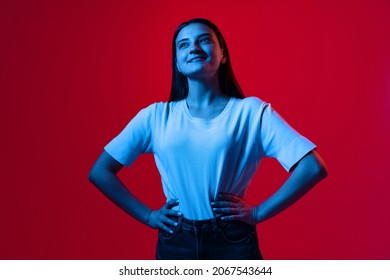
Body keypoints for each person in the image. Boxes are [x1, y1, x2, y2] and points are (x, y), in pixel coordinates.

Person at [88, 18, 328, 260]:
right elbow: (100, 171)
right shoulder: (155, 116)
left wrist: (257, 213)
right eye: (183, 45)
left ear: (222, 54)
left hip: (231, 239)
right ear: (177, 64)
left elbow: (312, 166)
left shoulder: (252, 112)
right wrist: (148, 216)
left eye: (204, 40)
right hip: (175, 240)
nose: (194, 48)